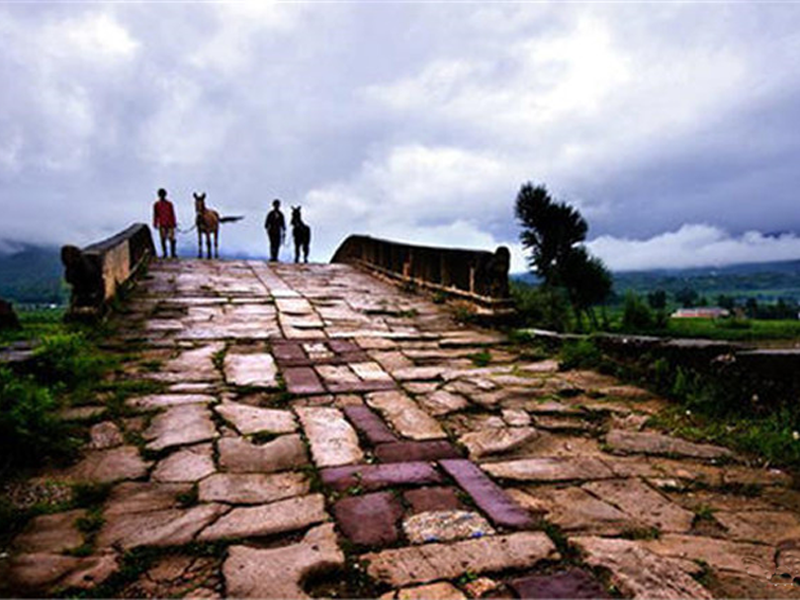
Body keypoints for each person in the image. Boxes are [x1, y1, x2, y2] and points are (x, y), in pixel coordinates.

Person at [153, 188, 177, 258]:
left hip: (168, 224)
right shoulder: (157, 205)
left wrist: (174, 223)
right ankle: (167, 253)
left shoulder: (168, 204)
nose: (162, 196)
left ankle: (171, 253)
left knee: (170, 239)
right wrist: (155, 223)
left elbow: (172, 214)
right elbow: (156, 215)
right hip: (164, 225)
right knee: (164, 239)